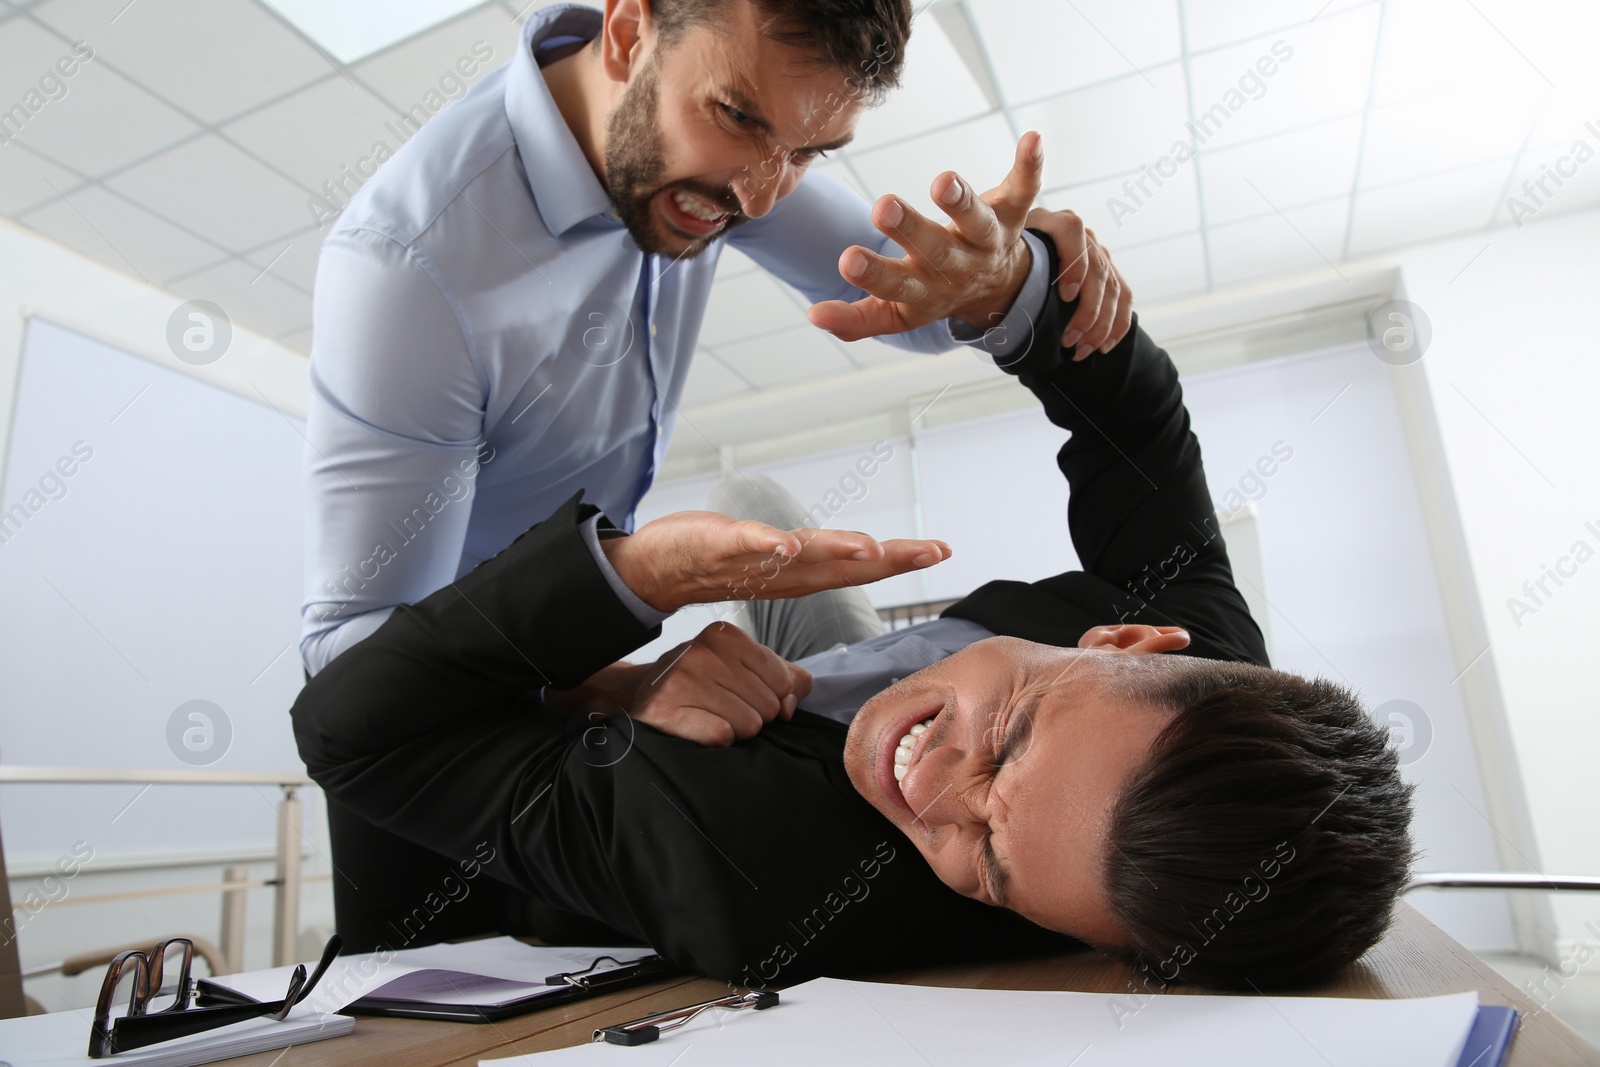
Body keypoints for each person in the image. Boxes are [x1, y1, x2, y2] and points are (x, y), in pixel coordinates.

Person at [290, 231, 1416, 991]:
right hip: (816, 711)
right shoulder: (1201, 635)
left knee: (438, 594)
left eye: (987, 858)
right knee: (762, 506)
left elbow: (356, 723)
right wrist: (1019, 290)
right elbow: (1138, 420)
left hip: (482, 852)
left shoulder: (752, 857)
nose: (930, 786)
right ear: (1125, 639)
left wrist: (629, 608)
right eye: (1012, 733)